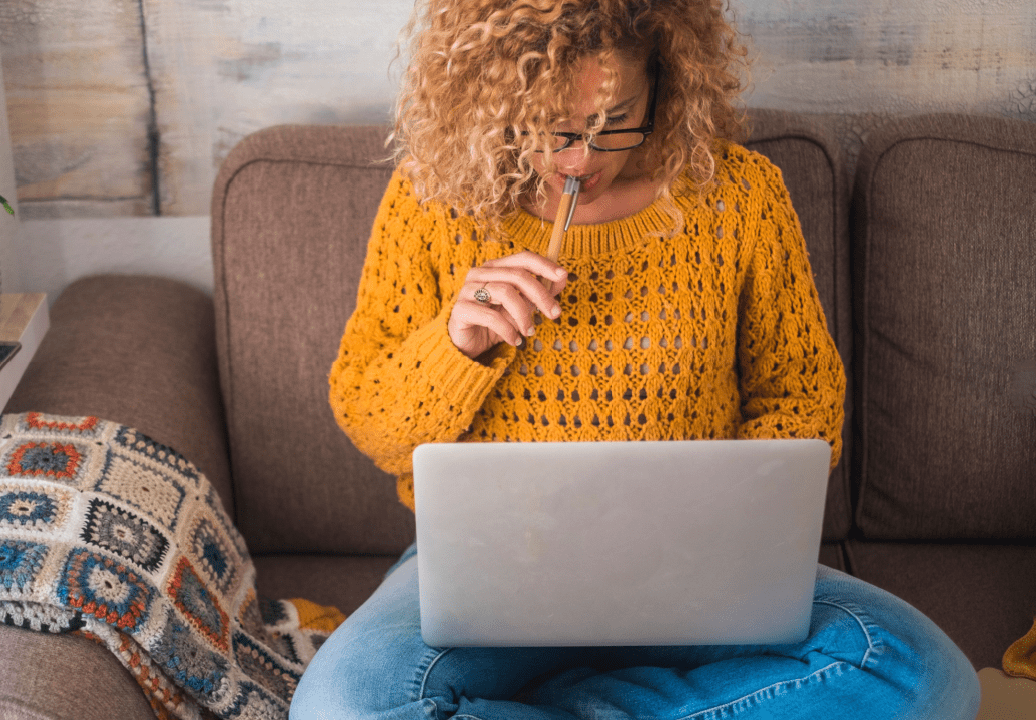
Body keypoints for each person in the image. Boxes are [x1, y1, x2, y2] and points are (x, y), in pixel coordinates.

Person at [289, 0, 981, 718]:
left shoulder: (739, 197)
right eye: (551, 126)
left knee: (927, 677)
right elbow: (370, 417)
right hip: (490, 578)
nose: (580, 159)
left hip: (699, 574)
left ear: (664, 79)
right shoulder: (433, 197)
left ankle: (557, 704)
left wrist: (726, 527)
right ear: (495, 97)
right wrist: (455, 345)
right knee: (339, 707)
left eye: (614, 119)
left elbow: (802, 397)